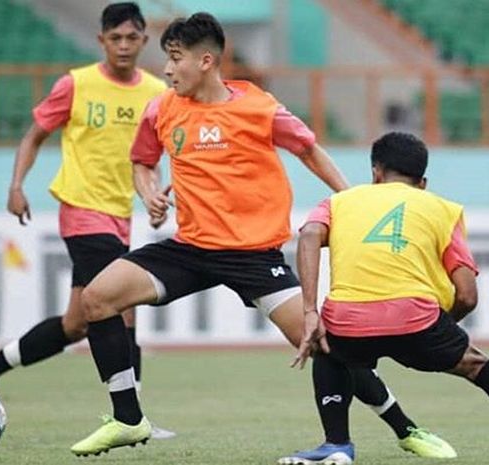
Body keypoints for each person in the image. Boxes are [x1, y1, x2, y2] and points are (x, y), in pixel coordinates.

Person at [69, 12, 455, 459]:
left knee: (324, 342)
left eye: (175, 59)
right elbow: (142, 161)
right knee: (95, 299)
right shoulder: (161, 108)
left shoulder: (258, 108)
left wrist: (351, 204)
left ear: (207, 61)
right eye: (166, 60)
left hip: (253, 255)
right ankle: (128, 420)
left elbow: (308, 149)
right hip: (190, 248)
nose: (168, 70)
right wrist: (150, 191)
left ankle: (405, 428)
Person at [281, 132, 489, 464]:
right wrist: (437, 329)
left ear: (375, 172)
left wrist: (310, 310)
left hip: (350, 321)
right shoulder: (442, 209)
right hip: (418, 321)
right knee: (478, 366)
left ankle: (336, 445)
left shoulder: (339, 202)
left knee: (327, 347)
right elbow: (467, 295)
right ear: (422, 182)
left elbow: (309, 233)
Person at [0, 2, 174, 440]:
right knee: (123, 305)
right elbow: (34, 134)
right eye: (114, 37)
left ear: (143, 40)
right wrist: (16, 185)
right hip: (81, 210)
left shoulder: (156, 93)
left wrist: (152, 197)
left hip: (119, 214)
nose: (122, 45)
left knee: (77, 322)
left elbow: (149, 160)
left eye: (130, 37)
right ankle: (133, 418)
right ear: (101, 40)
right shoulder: (76, 85)